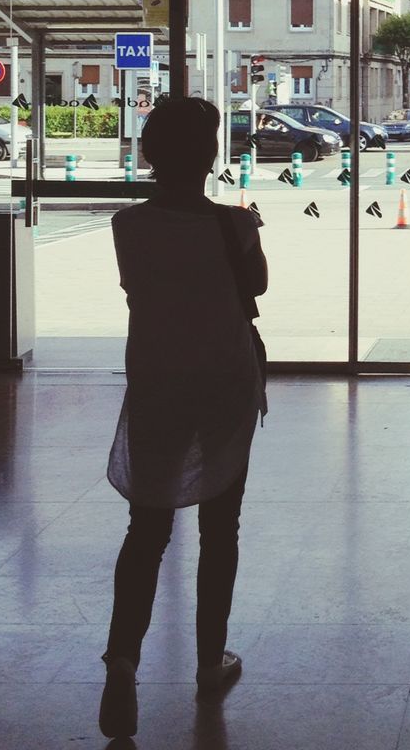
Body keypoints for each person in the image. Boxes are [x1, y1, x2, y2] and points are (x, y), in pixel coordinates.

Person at [98, 96, 268, 739]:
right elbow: (255, 286)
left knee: (148, 528)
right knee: (220, 528)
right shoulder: (234, 224)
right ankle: (206, 663)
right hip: (224, 383)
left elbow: (138, 288)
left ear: (149, 154)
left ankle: (122, 662)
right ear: (210, 156)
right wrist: (245, 227)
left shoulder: (126, 224)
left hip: (158, 379)